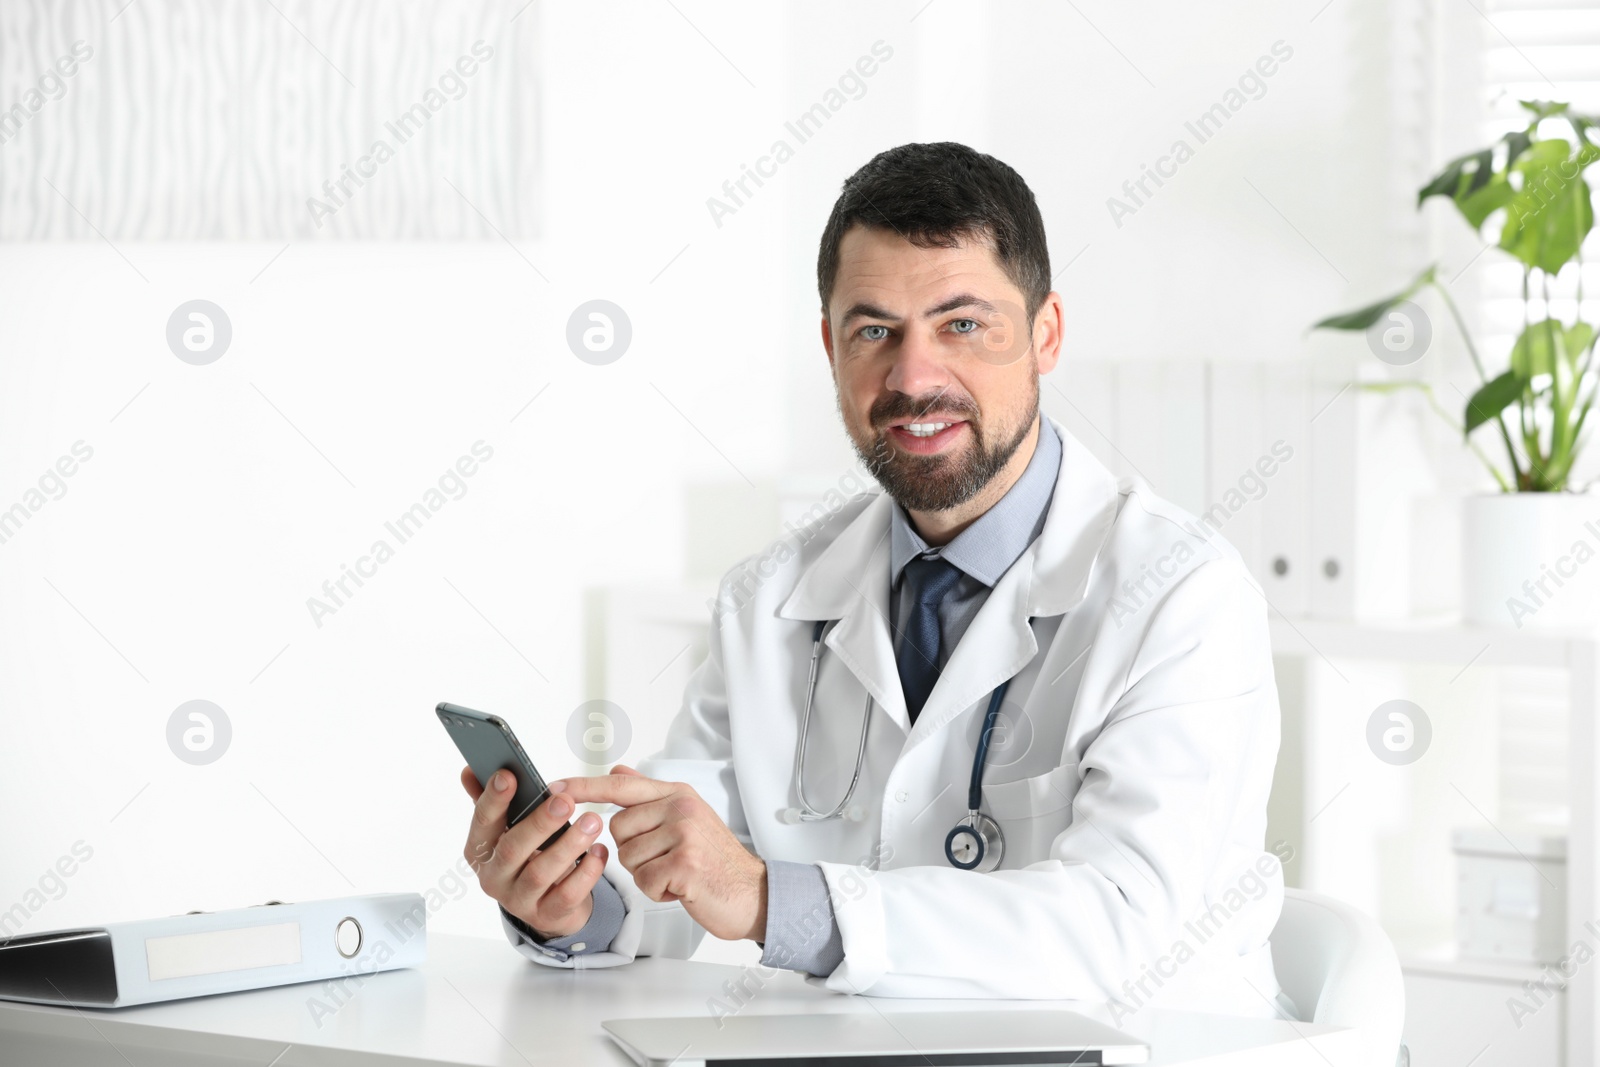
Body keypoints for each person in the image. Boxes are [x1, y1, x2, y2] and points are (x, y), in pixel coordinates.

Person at [459, 142, 1290, 1015]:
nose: (913, 377)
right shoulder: (770, 599)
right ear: (829, 344)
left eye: (962, 324)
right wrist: (569, 901)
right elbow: (672, 869)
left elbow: (1122, 925)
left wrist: (777, 900)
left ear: (1046, 333)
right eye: (874, 331)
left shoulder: (1182, 595)